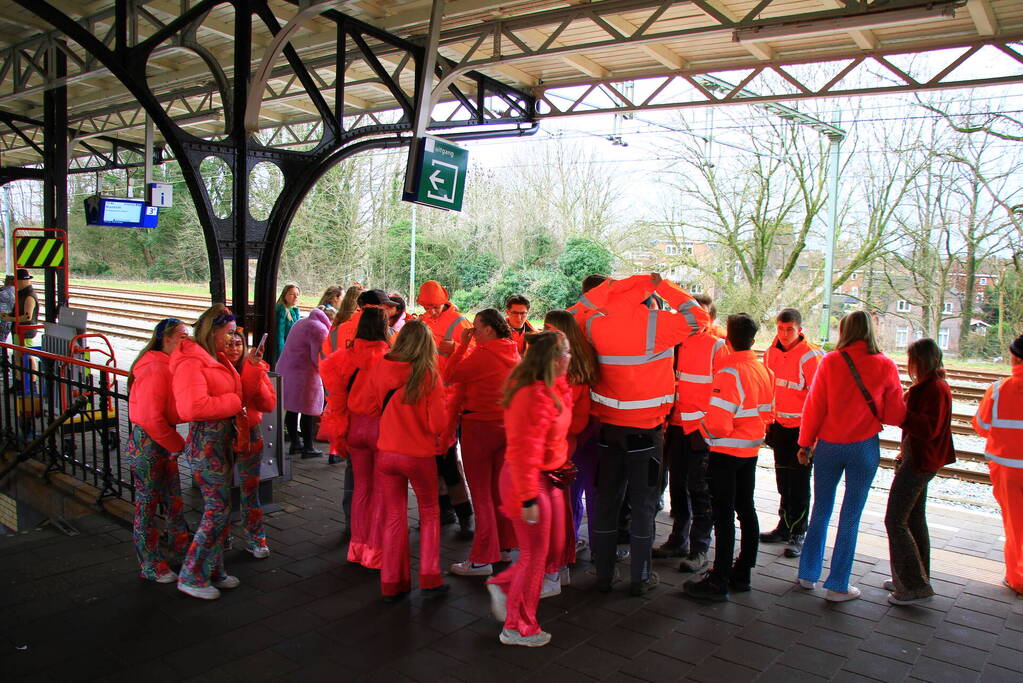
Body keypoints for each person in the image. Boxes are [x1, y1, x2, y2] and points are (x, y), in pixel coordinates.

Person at [585, 273, 709, 596]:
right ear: (644, 296)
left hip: (608, 429)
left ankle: (603, 574)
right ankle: (640, 577)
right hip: (645, 431)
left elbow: (573, 313)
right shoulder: (656, 324)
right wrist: (661, 284)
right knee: (643, 506)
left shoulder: (594, 323)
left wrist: (610, 289)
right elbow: (700, 317)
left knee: (607, 502)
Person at [796, 311, 906, 602]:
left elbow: (814, 406)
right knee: (850, 517)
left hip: (828, 446)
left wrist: (805, 443)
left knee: (821, 509)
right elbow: (895, 416)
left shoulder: (830, 361)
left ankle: (807, 574)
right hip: (863, 447)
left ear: (844, 330)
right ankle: (838, 585)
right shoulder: (885, 364)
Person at [486, 331, 574, 647]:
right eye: (566, 352)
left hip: (546, 478)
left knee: (550, 550)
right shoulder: (533, 396)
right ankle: (518, 626)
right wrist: (527, 498)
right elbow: (525, 451)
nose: (570, 357)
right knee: (534, 556)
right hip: (528, 481)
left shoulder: (551, 389)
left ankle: (505, 586)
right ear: (552, 359)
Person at [684, 314, 774, 601]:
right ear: (753, 339)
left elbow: (720, 424)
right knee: (746, 509)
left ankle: (718, 579)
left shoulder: (729, 373)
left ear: (727, 340)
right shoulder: (763, 370)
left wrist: (700, 428)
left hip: (726, 451)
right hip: (750, 450)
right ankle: (742, 572)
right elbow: (768, 413)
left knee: (723, 516)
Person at [372, 320, 450, 602]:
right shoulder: (428, 374)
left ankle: (392, 582)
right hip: (418, 455)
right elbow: (437, 423)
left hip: (386, 452)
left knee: (394, 517)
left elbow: (374, 404)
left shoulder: (381, 366)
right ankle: (429, 577)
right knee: (429, 513)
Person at [170, 304, 244, 600]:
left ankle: (214, 569)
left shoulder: (214, 358)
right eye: (228, 332)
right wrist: (234, 403)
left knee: (221, 508)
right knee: (217, 509)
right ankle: (191, 575)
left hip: (220, 442)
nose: (233, 338)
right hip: (206, 444)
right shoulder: (192, 362)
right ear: (213, 332)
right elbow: (193, 407)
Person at [445, 309, 520, 577]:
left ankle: (481, 559)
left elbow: (449, 374)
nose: (472, 331)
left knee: (481, 493)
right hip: (506, 426)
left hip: (479, 427)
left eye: (476, 327)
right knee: (500, 490)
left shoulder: (482, 354)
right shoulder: (513, 351)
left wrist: (462, 345)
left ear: (489, 329)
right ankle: (504, 547)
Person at [655, 300, 728, 573]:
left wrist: (709, 428)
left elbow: (723, 391)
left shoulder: (716, 347)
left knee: (700, 490)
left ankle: (699, 549)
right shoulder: (676, 342)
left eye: (700, 314)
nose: (692, 319)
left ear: (710, 319)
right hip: (676, 425)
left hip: (700, 429)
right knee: (677, 486)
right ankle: (678, 540)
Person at [320, 308, 391, 568]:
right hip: (380, 429)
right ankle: (376, 552)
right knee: (381, 491)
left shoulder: (345, 356)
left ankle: (357, 548)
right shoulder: (389, 358)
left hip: (354, 428)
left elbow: (335, 395)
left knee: (361, 489)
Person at [885, 338, 954, 605]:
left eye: (911, 359)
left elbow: (928, 429)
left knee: (895, 520)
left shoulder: (933, 389)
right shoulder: (934, 385)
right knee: (914, 519)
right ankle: (915, 577)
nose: (908, 364)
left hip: (920, 462)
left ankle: (913, 586)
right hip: (922, 459)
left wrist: (902, 411)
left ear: (919, 361)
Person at [126, 318, 192, 583]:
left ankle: (181, 551)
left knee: (172, 499)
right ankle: (150, 563)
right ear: (167, 339)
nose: (188, 341)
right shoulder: (155, 368)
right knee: (148, 504)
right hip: (150, 444)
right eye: (183, 336)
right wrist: (177, 444)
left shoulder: (166, 365)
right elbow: (151, 418)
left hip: (161, 442)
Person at [759, 308, 823, 558]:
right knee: (783, 480)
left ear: (800, 330)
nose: (784, 334)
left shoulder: (810, 355)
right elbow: (767, 388)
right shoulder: (771, 353)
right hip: (778, 425)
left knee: (799, 482)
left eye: (789, 330)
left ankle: (798, 532)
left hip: (801, 429)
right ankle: (784, 527)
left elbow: (818, 397)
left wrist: (813, 435)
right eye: (780, 329)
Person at [417, 280, 475, 537]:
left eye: (435, 306)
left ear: (445, 300)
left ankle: (465, 516)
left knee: (449, 462)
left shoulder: (460, 323)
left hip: (451, 403)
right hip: (428, 399)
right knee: (433, 462)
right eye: (427, 307)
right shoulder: (423, 322)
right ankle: (445, 511)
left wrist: (457, 350)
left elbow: (477, 357)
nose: (431, 311)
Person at [543, 309, 599, 566]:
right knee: (584, 494)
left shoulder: (559, 364)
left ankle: (565, 549)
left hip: (568, 438)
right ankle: (591, 549)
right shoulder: (585, 356)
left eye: (548, 329)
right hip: (586, 432)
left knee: (566, 495)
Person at [973, 334, 1023, 598]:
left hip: (1008, 471)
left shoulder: (998, 389)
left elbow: (981, 426)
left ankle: (1018, 578)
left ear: (1014, 358)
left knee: (1015, 526)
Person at [223, 331, 277, 559]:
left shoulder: (252, 366)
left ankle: (255, 538)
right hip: (221, 433)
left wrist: (255, 373)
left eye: (238, 344)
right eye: (228, 344)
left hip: (250, 431)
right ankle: (221, 535)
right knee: (219, 491)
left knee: (250, 488)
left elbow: (268, 403)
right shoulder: (213, 367)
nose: (234, 348)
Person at [277, 307, 331, 458]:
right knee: (308, 410)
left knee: (292, 407)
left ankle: (295, 443)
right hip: (304, 374)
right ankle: (308, 447)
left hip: (286, 369)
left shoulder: (301, 322)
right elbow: (318, 358)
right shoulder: (319, 329)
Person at [1, 269, 40, 391]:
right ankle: (19, 382)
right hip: (18, 329)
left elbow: (27, 316)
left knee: (28, 356)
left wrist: (10, 318)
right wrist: (8, 316)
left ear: (22, 281)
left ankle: (32, 383)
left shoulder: (29, 296)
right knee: (18, 356)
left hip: (26, 331)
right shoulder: (21, 294)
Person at [273, 283, 301, 364]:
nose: (295, 297)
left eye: (297, 295)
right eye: (292, 294)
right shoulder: (281, 311)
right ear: (284, 295)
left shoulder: (293, 310)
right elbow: (279, 335)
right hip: (284, 352)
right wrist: (282, 356)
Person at [0, 275, 14, 343]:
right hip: (15, 319)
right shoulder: (18, 291)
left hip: (4, 319)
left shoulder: (2, 291)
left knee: (2, 340)